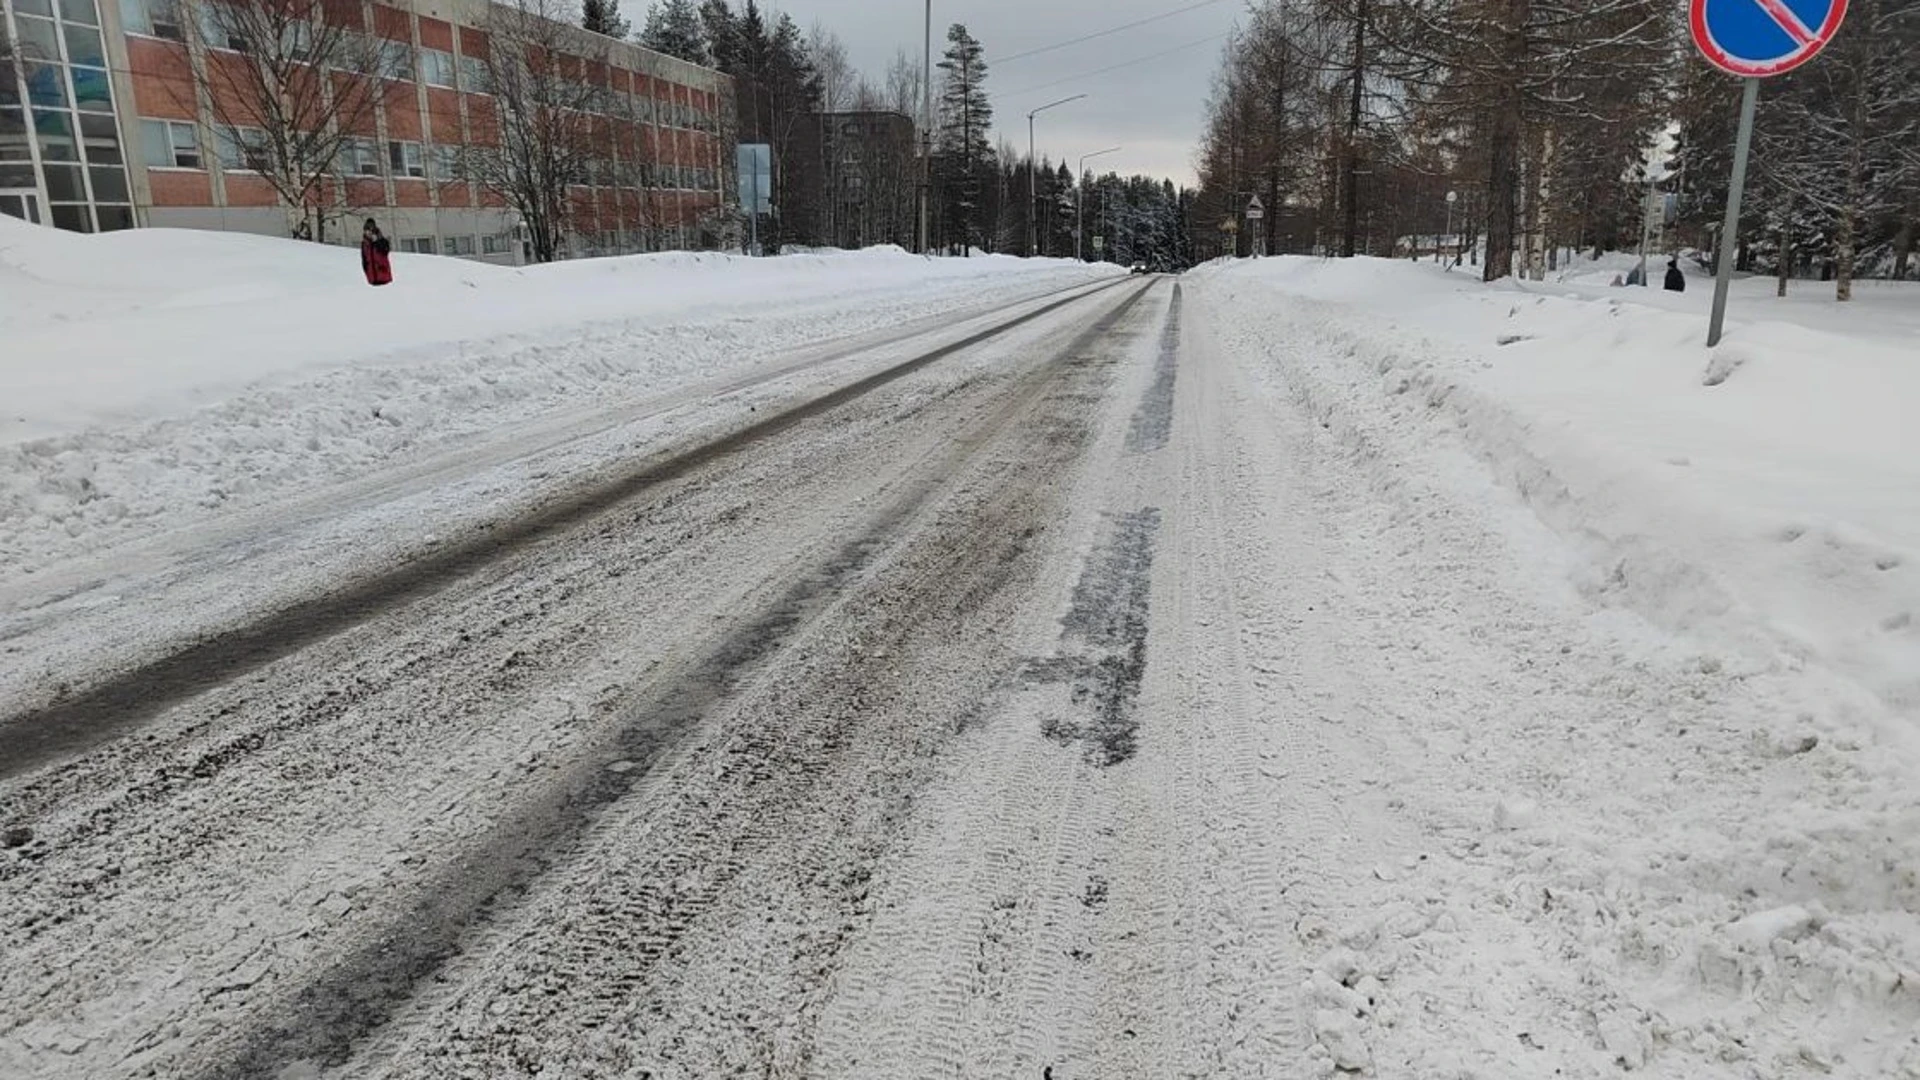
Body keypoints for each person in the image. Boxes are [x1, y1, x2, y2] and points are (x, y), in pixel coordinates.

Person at [361, 218, 393, 287]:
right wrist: (367, 272)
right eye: (367, 230)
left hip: (384, 279)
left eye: (371, 230)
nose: (369, 233)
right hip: (372, 280)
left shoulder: (382, 240)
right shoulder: (364, 244)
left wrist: (377, 242)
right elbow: (364, 261)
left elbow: (385, 250)